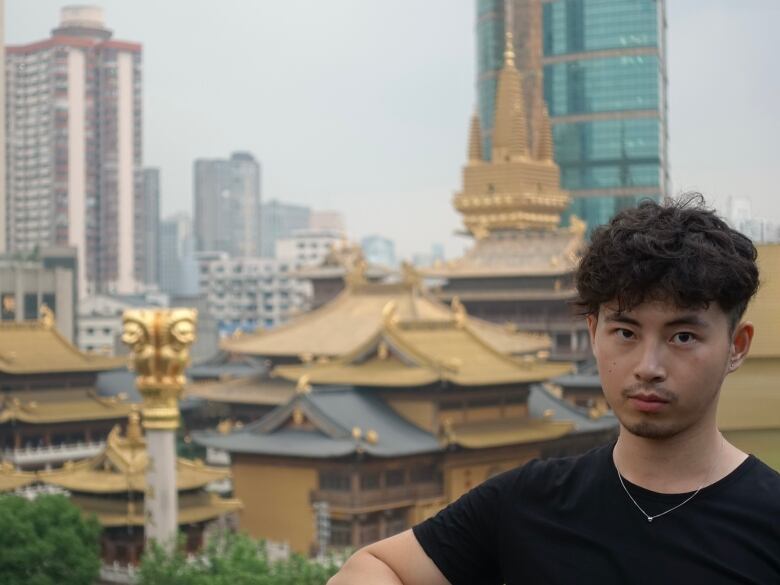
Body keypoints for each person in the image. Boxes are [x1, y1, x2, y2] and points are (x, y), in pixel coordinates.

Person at [327, 196, 780, 585]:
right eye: (625, 332)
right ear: (592, 331)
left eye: (683, 337)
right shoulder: (527, 501)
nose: (648, 367)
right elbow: (373, 565)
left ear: (736, 347)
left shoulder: (769, 519)